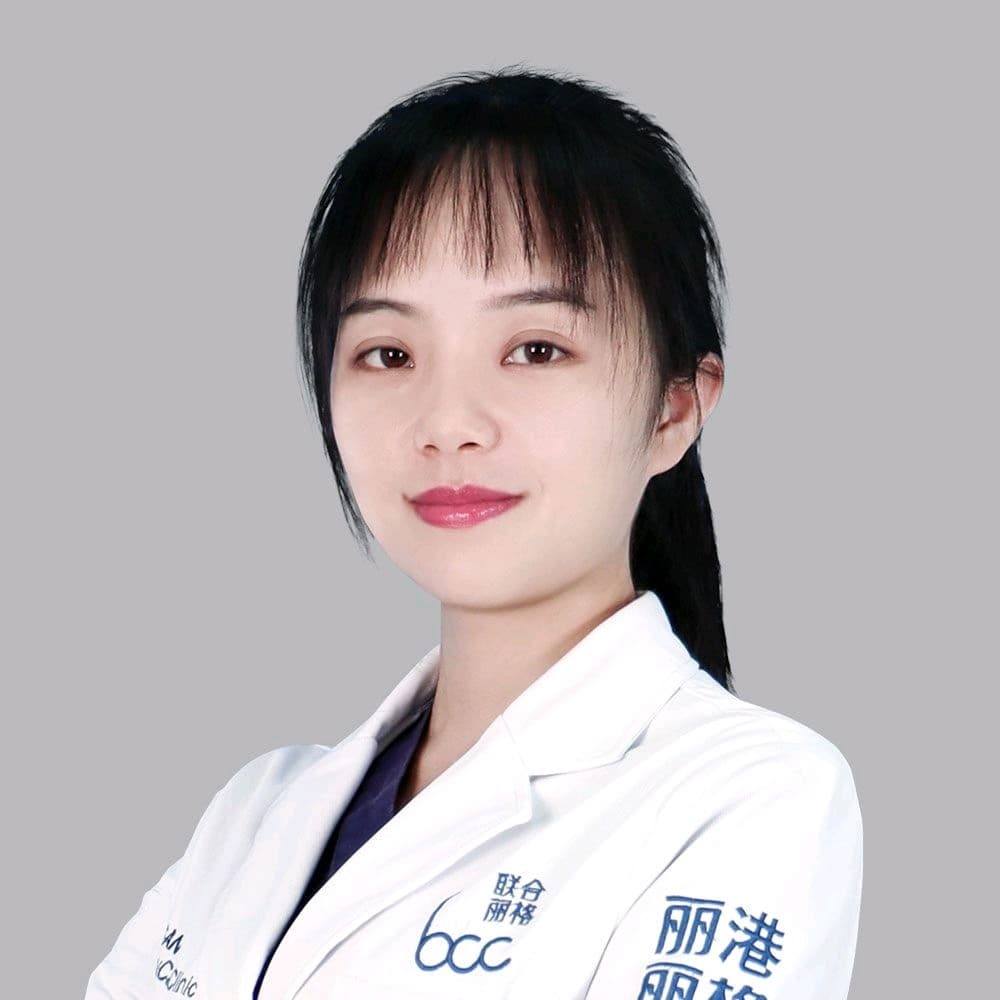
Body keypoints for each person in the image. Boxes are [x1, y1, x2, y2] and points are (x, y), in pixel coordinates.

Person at [84, 67, 863, 999]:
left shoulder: (751, 796)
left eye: (535, 349)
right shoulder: (256, 814)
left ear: (675, 409)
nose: (448, 421)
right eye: (389, 353)